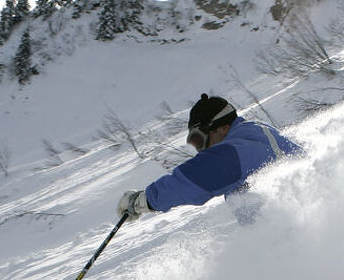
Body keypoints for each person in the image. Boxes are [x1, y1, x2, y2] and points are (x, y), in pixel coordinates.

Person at [116, 94, 302, 222]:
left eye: (199, 139)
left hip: (294, 239)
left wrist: (145, 200)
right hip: (290, 236)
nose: (200, 149)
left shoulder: (238, 151)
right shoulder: (253, 135)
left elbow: (194, 180)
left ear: (221, 127)